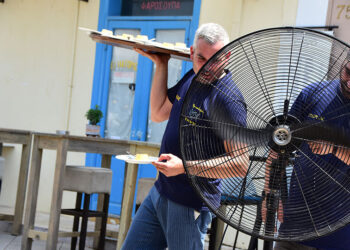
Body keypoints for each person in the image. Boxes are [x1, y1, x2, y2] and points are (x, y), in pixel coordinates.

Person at [121, 23, 248, 250]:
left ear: (227, 56)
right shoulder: (192, 76)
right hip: (160, 192)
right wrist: (162, 64)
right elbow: (159, 112)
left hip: (190, 203)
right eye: (201, 59)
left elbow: (240, 164)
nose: (208, 67)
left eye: (216, 59)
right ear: (191, 53)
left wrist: (185, 167)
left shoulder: (228, 100)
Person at [270, 51, 350, 250]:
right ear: (344, 63)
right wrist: (269, 194)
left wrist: (333, 148)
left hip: (339, 234)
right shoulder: (312, 95)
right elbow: (280, 146)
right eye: (349, 72)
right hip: (294, 229)